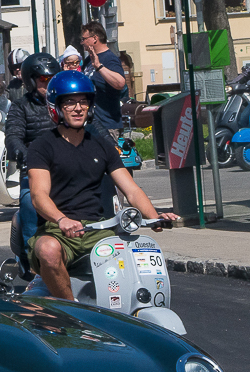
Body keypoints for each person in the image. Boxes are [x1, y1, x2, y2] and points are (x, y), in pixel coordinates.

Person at [26, 72, 178, 301]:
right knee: (47, 250)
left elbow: (132, 190)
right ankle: (73, 310)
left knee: (135, 259)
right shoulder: (42, 146)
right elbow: (39, 195)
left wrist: (154, 217)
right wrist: (62, 220)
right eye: (70, 102)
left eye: (83, 101)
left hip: (99, 230)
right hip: (58, 231)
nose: (78, 108)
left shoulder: (102, 146)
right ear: (56, 107)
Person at [5, 53, 60, 258]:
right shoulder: (21, 106)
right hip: (35, 172)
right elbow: (13, 136)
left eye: (52, 78)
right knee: (29, 203)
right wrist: (22, 153)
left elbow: (91, 127)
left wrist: (111, 146)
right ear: (31, 80)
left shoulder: (67, 102)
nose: (48, 83)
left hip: (67, 170)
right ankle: (31, 259)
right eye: (43, 79)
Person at [80, 22, 127, 142]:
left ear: (95, 38)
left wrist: (99, 67)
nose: (82, 43)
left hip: (107, 125)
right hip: (90, 123)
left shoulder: (110, 59)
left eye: (84, 39)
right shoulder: (88, 60)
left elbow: (120, 83)